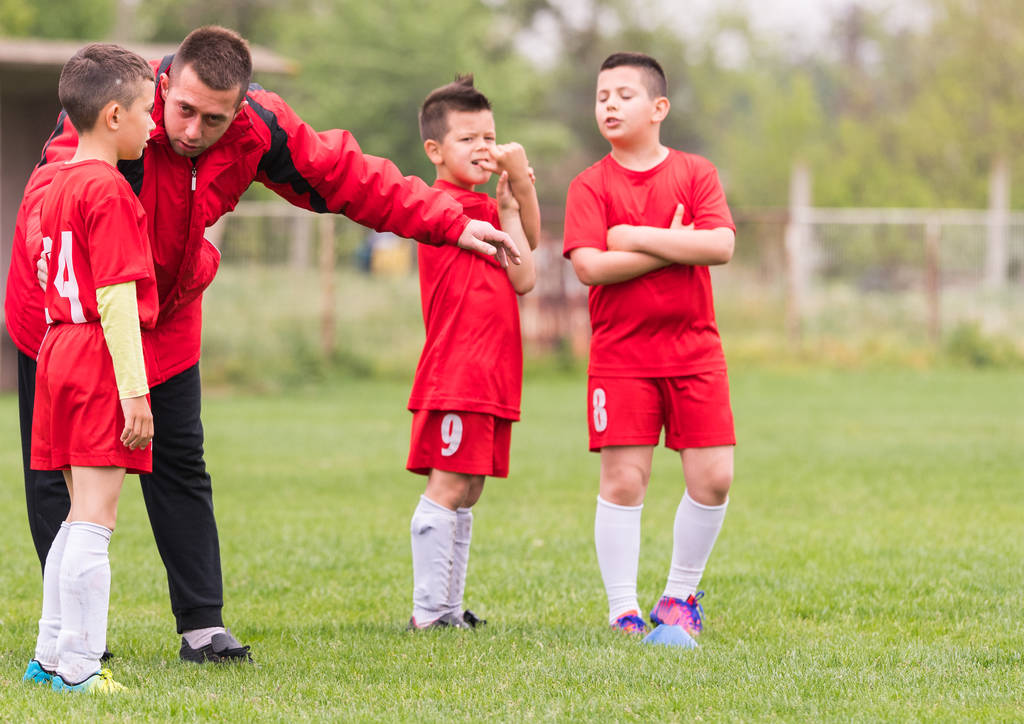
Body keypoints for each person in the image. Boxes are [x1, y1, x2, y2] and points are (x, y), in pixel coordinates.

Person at [5, 26, 519, 664]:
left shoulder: (260, 129)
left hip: (163, 321)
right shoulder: (118, 111)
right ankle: (73, 645)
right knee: (60, 480)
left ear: (242, 108)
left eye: (214, 119)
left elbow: (350, 178)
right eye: (183, 111)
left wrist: (451, 220)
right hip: (66, 320)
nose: (193, 131)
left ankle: (202, 628)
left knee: (181, 466)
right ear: (162, 87)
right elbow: (52, 212)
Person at [562, 52, 736, 643]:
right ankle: (623, 610)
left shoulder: (695, 172)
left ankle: (680, 596)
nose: (609, 105)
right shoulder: (589, 184)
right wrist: (674, 242)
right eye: (601, 95)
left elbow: (719, 247)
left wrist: (634, 237)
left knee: (714, 478)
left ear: (658, 108)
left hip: (696, 351)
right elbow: (590, 266)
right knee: (624, 482)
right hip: (622, 356)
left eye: (623, 95)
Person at [21, 43, 157, 693]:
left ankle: (49, 656)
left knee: (77, 514)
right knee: (97, 518)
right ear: (111, 116)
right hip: (97, 352)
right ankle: (79, 666)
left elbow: (45, 270)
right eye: (146, 112)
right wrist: (135, 390)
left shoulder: (57, 182)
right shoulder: (107, 188)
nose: (152, 125)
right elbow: (116, 296)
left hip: (56, 350)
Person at [406, 76, 538, 629]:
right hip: (458, 369)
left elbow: (525, 276)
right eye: (468, 139)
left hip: (493, 372)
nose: (484, 149)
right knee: (451, 483)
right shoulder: (440, 206)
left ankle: (450, 608)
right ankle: (427, 612)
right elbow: (523, 268)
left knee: (471, 488)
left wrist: (517, 199)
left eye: (489, 136)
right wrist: (511, 198)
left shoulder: (487, 206)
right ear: (435, 150)